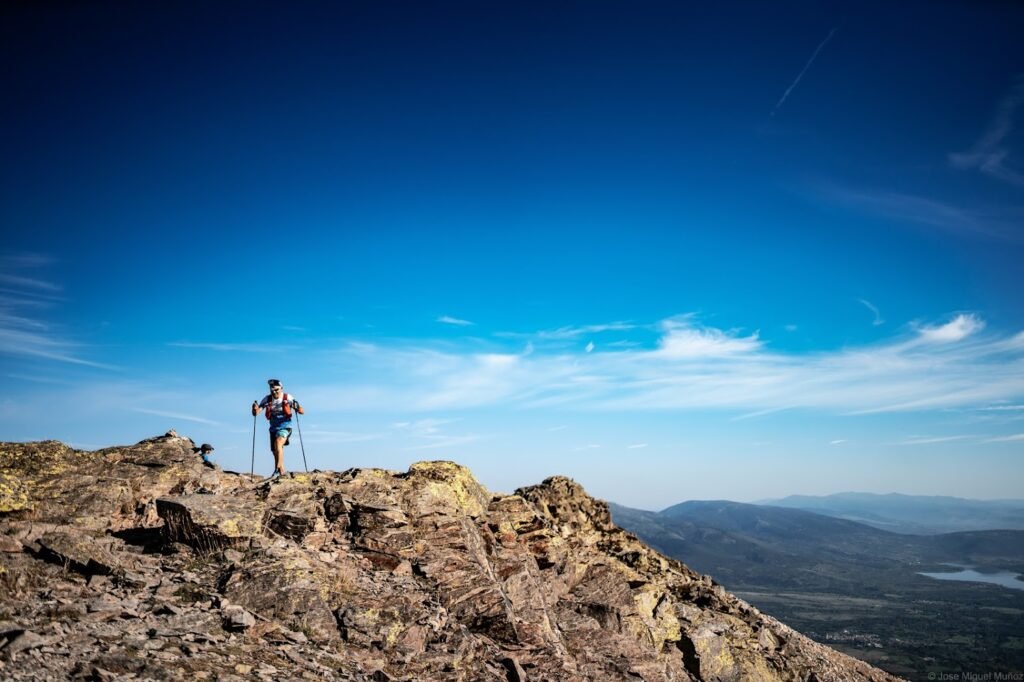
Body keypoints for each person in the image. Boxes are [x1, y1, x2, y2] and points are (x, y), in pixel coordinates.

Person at [252, 379, 304, 478]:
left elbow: (302, 411)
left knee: (278, 443)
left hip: (285, 426)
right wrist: (254, 409)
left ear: (281, 388)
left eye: (276, 390)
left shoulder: (287, 397)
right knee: (275, 450)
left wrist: (297, 407)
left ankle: (276, 468)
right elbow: (256, 413)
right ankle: (282, 472)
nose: (274, 392)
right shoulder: (267, 399)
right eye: (272, 390)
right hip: (273, 428)